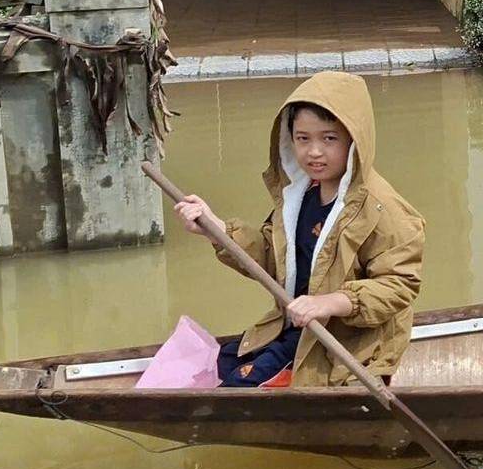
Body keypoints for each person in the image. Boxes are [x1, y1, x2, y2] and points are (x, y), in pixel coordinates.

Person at [171, 71, 425, 387]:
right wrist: (217, 230)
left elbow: (399, 285)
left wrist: (328, 303)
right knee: (221, 362)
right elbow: (272, 255)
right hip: (294, 327)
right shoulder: (300, 194)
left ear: (355, 141)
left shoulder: (382, 208)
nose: (314, 152)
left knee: (239, 387)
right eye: (303, 138)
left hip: (343, 344)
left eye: (329, 139)